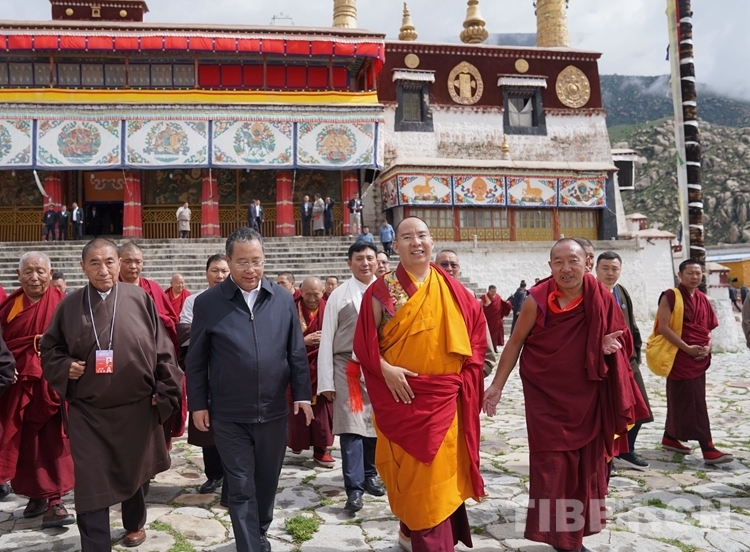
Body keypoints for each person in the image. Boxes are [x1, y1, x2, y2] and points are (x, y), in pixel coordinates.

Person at [483, 239, 647, 552]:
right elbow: (515, 342)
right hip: (546, 396)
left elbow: (620, 341)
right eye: (558, 262)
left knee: (585, 467)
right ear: (550, 266)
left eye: (573, 261)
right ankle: (562, 540)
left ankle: (572, 538)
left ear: (587, 263)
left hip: (588, 397)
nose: (566, 268)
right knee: (552, 467)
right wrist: (496, 386)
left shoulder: (601, 297)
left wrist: (605, 347)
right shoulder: (537, 299)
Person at [350, 217, 486, 551]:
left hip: (445, 401)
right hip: (403, 400)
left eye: (422, 235)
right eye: (407, 236)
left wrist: (466, 382)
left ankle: (423, 540)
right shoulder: (381, 291)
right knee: (411, 478)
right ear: (395, 245)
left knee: (437, 482)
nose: (416, 242)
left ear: (432, 241)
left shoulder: (455, 291)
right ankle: (412, 532)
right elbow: (364, 346)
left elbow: (477, 340)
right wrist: (385, 370)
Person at [41, 238, 183, 550]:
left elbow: (163, 349)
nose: (103, 270)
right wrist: (64, 366)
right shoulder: (69, 306)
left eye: (109, 262)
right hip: (89, 412)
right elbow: (50, 349)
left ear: (119, 264)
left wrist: (165, 389)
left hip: (137, 408)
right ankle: (96, 545)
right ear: (83, 267)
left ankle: (134, 523)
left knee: (136, 473)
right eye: (94, 263)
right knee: (91, 483)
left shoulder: (140, 298)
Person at [186, 227, 313, 552]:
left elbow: (296, 351)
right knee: (241, 486)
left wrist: (302, 394)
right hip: (229, 414)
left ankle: (259, 534)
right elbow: (196, 359)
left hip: (273, 411)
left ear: (264, 260)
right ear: (229, 262)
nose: (250, 269)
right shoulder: (208, 303)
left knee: (267, 482)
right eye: (242, 262)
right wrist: (198, 403)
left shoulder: (282, 299)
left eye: (256, 261)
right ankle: (250, 545)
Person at [0, 252, 74, 528]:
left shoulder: (63, 304)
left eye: (40, 271)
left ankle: (56, 501)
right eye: (28, 271)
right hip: (19, 384)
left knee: (53, 442)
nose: (34, 277)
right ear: (18, 275)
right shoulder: (9, 307)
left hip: (52, 384)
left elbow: (79, 339)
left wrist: (55, 347)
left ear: (50, 274)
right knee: (25, 442)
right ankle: (36, 495)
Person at [317, 241, 385, 515]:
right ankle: (354, 488)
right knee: (351, 427)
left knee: (375, 425)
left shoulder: (387, 292)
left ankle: (370, 475)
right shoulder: (339, 295)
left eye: (369, 258)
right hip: (348, 368)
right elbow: (327, 339)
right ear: (349, 263)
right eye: (359, 258)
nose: (365, 263)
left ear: (377, 261)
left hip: (380, 369)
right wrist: (326, 382)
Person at [657, 259, 732, 465]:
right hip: (680, 357)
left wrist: (708, 346)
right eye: (690, 273)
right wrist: (686, 348)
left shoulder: (702, 298)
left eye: (698, 273)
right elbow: (663, 327)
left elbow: (708, 328)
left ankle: (670, 437)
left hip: (699, 357)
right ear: (680, 275)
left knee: (681, 399)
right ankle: (708, 447)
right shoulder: (670, 296)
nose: (695, 277)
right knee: (695, 402)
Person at [119, 242, 184, 444]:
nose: (133, 266)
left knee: (156, 408)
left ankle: (155, 451)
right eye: (128, 261)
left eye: (137, 261)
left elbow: (171, 322)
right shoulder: (112, 288)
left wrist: (154, 319)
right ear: (119, 262)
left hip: (153, 358)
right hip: (123, 360)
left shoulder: (153, 288)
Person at [180, 254, 230, 505]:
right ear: (206, 273)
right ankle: (214, 474)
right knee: (206, 425)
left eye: (224, 271)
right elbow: (185, 333)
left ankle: (232, 477)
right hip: (205, 371)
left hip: (232, 373)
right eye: (215, 270)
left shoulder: (237, 298)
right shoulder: (194, 301)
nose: (219, 276)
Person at [595, 251, 654, 468]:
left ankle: (626, 449)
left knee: (639, 408)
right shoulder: (593, 293)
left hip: (628, 359)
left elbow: (631, 324)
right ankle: (606, 457)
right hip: (606, 361)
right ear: (596, 269)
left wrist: (635, 353)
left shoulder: (621, 291)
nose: (610, 273)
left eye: (615, 269)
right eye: (605, 268)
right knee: (609, 412)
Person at [288, 277, 335, 468]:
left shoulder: (330, 308)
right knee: (297, 411)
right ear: (300, 291)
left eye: (316, 294)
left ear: (322, 292)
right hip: (298, 366)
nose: (312, 299)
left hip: (322, 365)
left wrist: (327, 341)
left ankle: (321, 450)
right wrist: (303, 341)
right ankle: (297, 443)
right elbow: (280, 336)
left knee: (322, 412)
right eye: (308, 294)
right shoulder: (291, 309)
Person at [434, 249, 497, 379]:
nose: (449, 269)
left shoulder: (468, 295)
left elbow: (481, 330)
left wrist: (483, 366)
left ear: (459, 268)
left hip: (461, 366)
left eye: (454, 265)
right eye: (444, 264)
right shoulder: (425, 292)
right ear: (435, 267)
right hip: (433, 364)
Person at [482, 285, 512, 352]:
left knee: (495, 334)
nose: (493, 293)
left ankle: (495, 347)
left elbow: (503, 303)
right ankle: (487, 347)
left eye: (494, 291)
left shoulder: (498, 296)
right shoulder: (485, 297)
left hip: (497, 319)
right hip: (488, 319)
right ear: (488, 290)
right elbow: (481, 306)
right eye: (492, 291)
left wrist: (509, 303)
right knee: (488, 334)